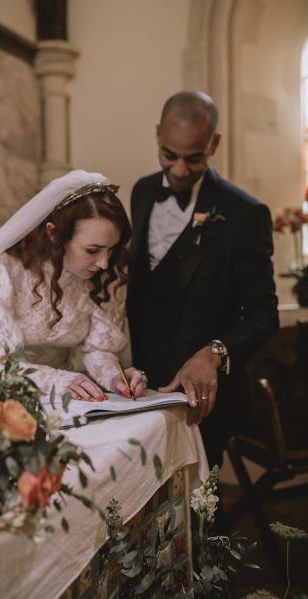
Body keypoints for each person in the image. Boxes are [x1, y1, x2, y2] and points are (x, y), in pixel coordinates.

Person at [127, 91, 279, 468]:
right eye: (169, 154)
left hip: (204, 404)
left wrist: (214, 353)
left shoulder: (245, 213)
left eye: (193, 158)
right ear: (158, 134)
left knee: (199, 515)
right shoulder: (143, 191)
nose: (179, 169)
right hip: (141, 389)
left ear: (215, 144)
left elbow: (263, 314)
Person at [0, 170, 146, 402]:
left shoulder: (104, 275)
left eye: (111, 249)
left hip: (71, 403)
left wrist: (115, 377)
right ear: (53, 233)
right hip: (2, 399)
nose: (104, 263)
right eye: (92, 250)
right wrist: (58, 380)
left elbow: (98, 349)